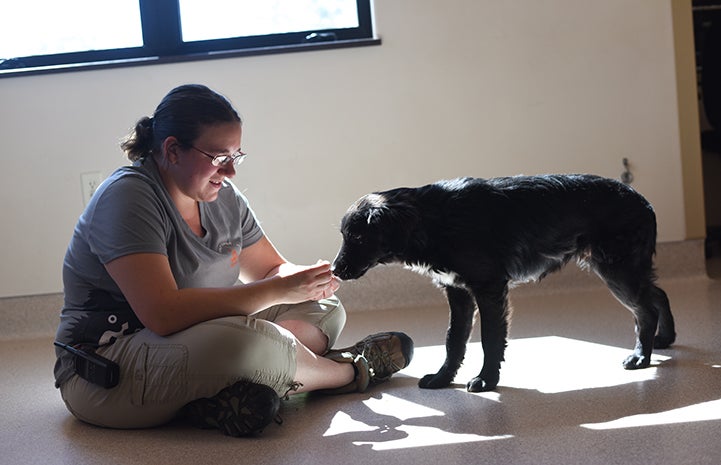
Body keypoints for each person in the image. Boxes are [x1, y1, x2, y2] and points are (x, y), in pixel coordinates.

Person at [53, 84, 414, 437]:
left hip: (195, 339)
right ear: (173, 150)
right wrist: (277, 291)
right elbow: (163, 314)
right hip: (108, 366)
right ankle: (348, 370)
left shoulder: (222, 195)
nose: (230, 172)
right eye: (218, 158)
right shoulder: (128, 197)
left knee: (325, 309)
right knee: (246, 343)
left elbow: (270, 269)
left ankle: (221, 398)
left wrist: (303, 281)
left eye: (235, 156)